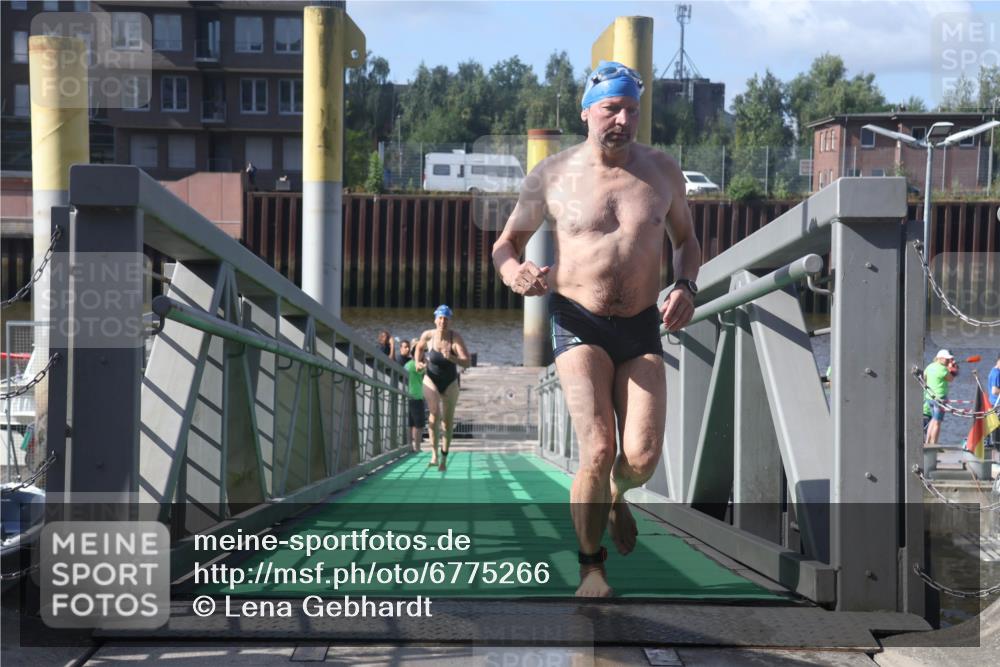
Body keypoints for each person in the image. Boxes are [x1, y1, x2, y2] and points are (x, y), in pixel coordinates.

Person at [491, 61, 700, 597]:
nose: (623, 119)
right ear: (587, 111)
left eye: (632, 110)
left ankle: (617, 497)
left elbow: (686, 242)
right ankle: (591, 569)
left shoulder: (662, 171)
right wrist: (514, 272)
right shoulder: (554, 175)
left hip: (640, 326)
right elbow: (505, 243)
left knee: (641, 459)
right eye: (611, 108)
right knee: (599, 449)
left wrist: (684, 286)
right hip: (577, 320)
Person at [415, 305, 471, 471]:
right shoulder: (428, 335)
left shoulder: (455, 338)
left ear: (449, 321)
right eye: (440, 318)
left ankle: (444, 458)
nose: (442, 321)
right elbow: (418, 347)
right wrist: (418, 361)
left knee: (447, 423)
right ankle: (433, 454)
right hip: (431, 378)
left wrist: (451, 357)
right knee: (433, 412)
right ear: (435, 319)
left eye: (446, 318)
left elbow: (466, 362)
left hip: (450, 382)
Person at [923, 349, 957, 445]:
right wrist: (952, 369)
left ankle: (927, 442)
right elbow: (951, 379)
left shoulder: (929, 366)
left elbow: (924, 377)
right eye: (947, 359)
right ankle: (934, 443)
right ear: (940, 358)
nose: (948, 361)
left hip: (929, 398)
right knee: (937, 422)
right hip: (940, 399)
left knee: (933, 420)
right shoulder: (942, 369)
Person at [404, 339, 426, 453]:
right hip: (417, 396)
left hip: (408, 395)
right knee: (419, 424)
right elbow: (427, 373)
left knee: (410, 423)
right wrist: (426, 362)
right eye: (422, 352)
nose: (423, 354)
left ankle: (409, 446)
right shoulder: (418, 366)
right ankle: (417, 447)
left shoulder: (407, 365)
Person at [989, 353, 1000, 448]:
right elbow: (995, 390)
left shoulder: (993, 371)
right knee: (997, 432)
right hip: (997, 405)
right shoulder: (997, 373)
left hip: (993, 404)